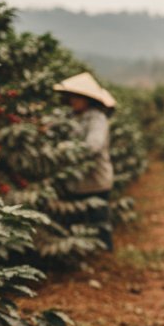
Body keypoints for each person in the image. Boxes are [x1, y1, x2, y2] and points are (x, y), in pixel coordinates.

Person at [52, 72, 117, 251]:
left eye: (77, 97)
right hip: (75, 181)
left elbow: (93, 145)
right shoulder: (70, 117)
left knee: (99, 221)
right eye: (71, 97)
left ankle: (105, 255)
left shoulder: (97, 118)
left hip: (95, 181)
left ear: (87, 99)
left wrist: (65, 148)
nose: (73, 101)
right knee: (76, 221)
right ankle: (84, 254)